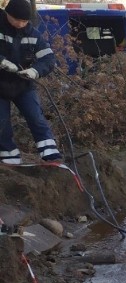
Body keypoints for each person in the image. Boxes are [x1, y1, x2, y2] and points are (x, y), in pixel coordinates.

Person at [0, 0, 62, 165]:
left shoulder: (33, 34)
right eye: (17, 19)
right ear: (7, 14)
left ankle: (50, 155)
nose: (20, 24)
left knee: (36, 117)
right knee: (2, 122)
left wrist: (35, 71)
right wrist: (2, 61)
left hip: (23, 85)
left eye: (24, 21)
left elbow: (48, 59)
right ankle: (9, 157)